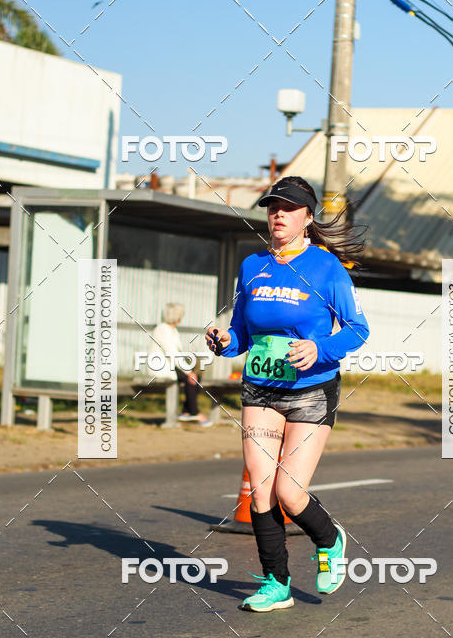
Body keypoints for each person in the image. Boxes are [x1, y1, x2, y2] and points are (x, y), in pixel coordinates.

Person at [206, 175, 369, 611]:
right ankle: (276, 584)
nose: (277, 214)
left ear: (307, 218)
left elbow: (358, 330)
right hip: (260, 387)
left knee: (290, 493)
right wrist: (225, 341)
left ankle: (330, 539)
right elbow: (242, 331)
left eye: (288, 208)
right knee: (261, 489)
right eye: (272, 206)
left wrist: (320, 347)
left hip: (312, 388)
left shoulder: (327, 268)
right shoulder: (252, 265)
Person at [150, 303, 212, 427]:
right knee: (193, 377)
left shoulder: (173, 330)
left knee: (195, 377)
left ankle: (187, 412)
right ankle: (194, 412)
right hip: (161, 368)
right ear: (178, 317)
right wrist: (188, 372)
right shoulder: (163, 329)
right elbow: (171, 353)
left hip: (170, 366)